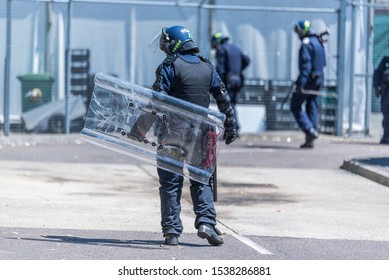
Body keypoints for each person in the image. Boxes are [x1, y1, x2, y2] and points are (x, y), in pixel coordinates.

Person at [149, 25, 237, 246]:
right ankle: (207, 222)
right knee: (201, 180)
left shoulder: (169, 66)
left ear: (173, 42)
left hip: (173, 133)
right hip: (203, 133)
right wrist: (230, 126)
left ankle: (172, 233)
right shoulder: (208, 66)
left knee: (170, 182)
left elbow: (156, 101)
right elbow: (224, 99)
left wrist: (138, 130)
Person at [291, 19, 326, 148]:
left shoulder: (306, 43)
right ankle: (311, 136)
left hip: (308, 80)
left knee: (295, 105)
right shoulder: (318, 42)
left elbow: (306, 65)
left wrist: (301, 83)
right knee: (312, 105)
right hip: (318, 79)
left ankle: (309, 130)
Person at [210, 32, 250, 136]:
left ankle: (232, 129)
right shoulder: (236, 47)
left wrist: (219, 82)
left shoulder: (221, 49)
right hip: (238, 79)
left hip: (229, 80)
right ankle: (235, 128)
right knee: (233, 104)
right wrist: (238, 70)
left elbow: (221, 68)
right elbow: (247, 59)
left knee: (227, 105)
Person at [373, 54, 389, 145]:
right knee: (386, 116)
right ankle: (386, 136)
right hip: (386, 93)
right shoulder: (385, 61)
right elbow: (377, 74)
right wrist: (376, 87)